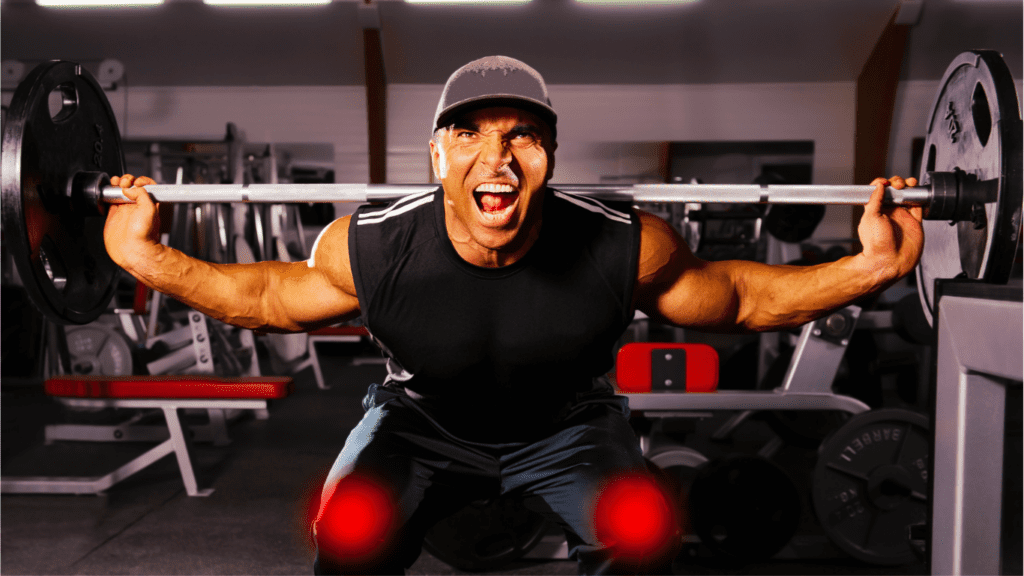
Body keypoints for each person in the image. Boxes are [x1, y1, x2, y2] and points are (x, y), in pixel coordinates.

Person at [103, 55, 922, 575]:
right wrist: (147, 260)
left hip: (568, 424)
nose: (495, 157)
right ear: (435, 156)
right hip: (419, 421)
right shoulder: (375, 245)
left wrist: (869, 266)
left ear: (551, 158)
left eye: (522, 137)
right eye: (468, 134)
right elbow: (269, 300)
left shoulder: (620, 245)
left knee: (643, 537)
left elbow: (741, 298)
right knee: (347, 536)